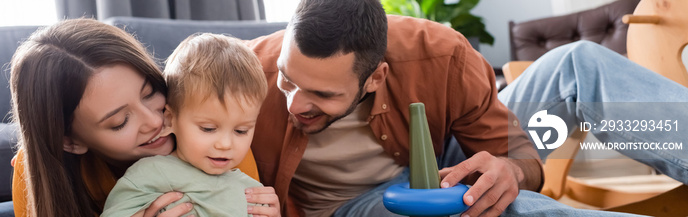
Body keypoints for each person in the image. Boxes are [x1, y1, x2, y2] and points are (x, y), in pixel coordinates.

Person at [245, 0, 541, 216]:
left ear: (375, 78)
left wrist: (509, 171)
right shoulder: (242, 70)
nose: (293, 104)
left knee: (511, 205)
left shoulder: (443, 56)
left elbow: (518, 157)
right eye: (287, 78)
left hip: (441, 160)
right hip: (352, 203)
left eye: (322, 93)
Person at [9, 18, 279, 217]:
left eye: (150, 93)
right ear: (70, 141)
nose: (154, 121)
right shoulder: (36, 175)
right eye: (119, 122)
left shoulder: (216, 135)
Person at [101, 33, 271, 217]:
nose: (225, 144)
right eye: (208, 129)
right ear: (170, 120)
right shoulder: (152, 172)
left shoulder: (252, 189)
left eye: (241, 131)